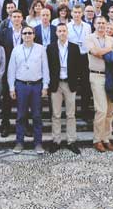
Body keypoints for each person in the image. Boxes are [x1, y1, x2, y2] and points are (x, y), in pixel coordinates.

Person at [8, 26, 50, 154]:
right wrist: (11, 87)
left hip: (36, 85)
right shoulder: (16, 50)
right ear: (21, 35)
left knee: (37, 115)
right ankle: (19, 142)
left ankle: (38, 143)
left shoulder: (41, 49)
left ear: (34, 35)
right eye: (25, 33)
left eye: (29, 33)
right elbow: (11, 70)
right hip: (21, 85)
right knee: (21, 115)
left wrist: (45, 86)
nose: (27, 35)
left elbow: (45, 68)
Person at [87, 16, 113, 153]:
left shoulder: (111, 39)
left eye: (103, 23)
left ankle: (106, 139)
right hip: (97, 75)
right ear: (94, 24)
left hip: (111, 76)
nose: (101, 25)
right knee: (101, 110)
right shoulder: (90, 38)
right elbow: (96, 52)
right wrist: (111, 49)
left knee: (110, 110)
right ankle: (97, 140)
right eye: (99, 23)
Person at [47, 23, 81, 154]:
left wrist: (75, 81)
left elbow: (78, 66)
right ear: (56, 33)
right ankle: (56, 141)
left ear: (67, 32)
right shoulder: (50, 48)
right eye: (59, 31)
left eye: (64, 31)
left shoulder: (74, 47)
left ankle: (71, 141)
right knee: (56, 114)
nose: (62, 33)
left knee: (71, 114)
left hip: (69, 83)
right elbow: (48, 66)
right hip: (56, 84)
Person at [0, 10, 24, 137]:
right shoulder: (4, 32)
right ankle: (5, 125)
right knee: (6, 99)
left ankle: (24, 125)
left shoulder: (27, 32)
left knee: (24, 99)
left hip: (23, 69)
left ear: (22, 18)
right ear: (10, 18)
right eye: (14, 17)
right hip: (8, 68)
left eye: (19, 16)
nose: (16, 19)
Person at [67, 4, 92, 124]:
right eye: (75, 12)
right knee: (72, 86)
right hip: (72, 57)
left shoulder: (87, 26)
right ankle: (72, 112)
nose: (77, 14)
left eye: (79, 12)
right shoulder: (67, 26)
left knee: (86, 86)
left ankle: (85, 112)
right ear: (71, 13)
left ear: (82, 13)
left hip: (85, 57)